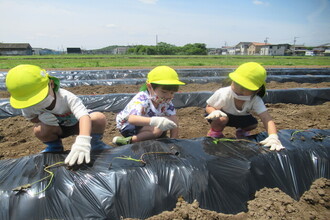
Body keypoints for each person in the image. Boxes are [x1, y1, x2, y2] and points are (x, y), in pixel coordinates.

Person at [5, 64, 109, 166]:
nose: (38, 103)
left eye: (41, 97)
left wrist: (83, 141)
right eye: (34, 101)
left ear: (51, 84)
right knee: (39, 130)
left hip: (79, 125)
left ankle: (94, 143)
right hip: (58, 129)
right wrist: (40, 119)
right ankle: (54, 148)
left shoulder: (65, 97)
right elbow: (32, 119)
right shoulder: (27, 105)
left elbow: (83, 117)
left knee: (98, 118)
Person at [205, 62, 285, 151]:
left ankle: (241, 132)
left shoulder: (255, 99)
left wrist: (273, 136)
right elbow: (208, 106)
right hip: (223, 116)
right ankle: (215, 132)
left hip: (241, 118)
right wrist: (213, 111)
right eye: (237, 84)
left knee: (253, 124)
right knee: (222, 119)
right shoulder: (223, 93)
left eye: (245, 87)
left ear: (257, 90)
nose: (239, 90)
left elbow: (266, 118)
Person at [112, 66, 185, 146]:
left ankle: (155, 136)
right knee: (158, 130)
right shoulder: (142, 98)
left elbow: (173, 120)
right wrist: (155, 121)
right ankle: (128, 141)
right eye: (164, 92)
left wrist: (173, 141)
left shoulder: (166, 101)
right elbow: (132, 119)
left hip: (146, 125)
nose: (168, 96)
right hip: (129, 125)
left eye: (172, 93)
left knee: (167, 123)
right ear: (150, 87)